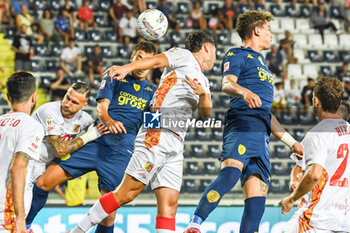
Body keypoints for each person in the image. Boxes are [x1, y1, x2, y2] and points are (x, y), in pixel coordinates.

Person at [69, 31, 216, 233]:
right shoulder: (184, 55)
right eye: (215, 51)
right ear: (207, 48)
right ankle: (78, 230)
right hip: (157, 131)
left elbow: (206, 115)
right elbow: (155, 62)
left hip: (176, 141)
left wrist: (204, 94)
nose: (216, 57)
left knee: (169, 205)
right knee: (126, 193)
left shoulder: (203, 81)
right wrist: (127, 68)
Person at [184, 11, 303, 233]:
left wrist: (292, 142)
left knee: (257, 198)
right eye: (268, 30)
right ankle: (195, 224)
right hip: (242, 126)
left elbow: (266, 112)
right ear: (256, 30)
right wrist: (245, 92)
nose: (271, 35)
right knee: (230, 173)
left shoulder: (263, 64)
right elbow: (227, 83)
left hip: (262, 136)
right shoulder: (236, 54)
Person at [25, 41, 157, 233]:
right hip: (97, 140)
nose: (142, 62)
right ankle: (24, 225)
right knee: (44, 181)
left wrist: (157, 110)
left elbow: (153, 128)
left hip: (121, 151)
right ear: (132, 58)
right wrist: (109, 120)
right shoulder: (115, 76)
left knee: (108, 212)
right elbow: (101, 108)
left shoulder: (153, 92)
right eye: (139, 57)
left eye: (147, 60)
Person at [25, 82, 107, 229]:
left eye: (74, 102)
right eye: (67, 97)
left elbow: (100, 136)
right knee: (17, 207)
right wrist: (89, 136)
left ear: (84, 105)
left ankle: (26, 226)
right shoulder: (49, 111)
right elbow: (60, 150)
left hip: (46, 166)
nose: (67, 104)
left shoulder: (85, 120)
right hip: (28, 162)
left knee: (35, 204)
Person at [279, 76, 350, 233]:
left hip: (316, 218)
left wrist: (291, 199)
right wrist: (295, 179)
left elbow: (314, 175)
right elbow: (299, 166)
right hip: (344, 221)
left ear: (316, 101)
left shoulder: (317, 134)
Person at [0, 72, 44, 233]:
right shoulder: (31, 126)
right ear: (34, 96)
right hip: (7, 218)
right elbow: (17, 168)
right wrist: (20, 218)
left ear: (8, 96)